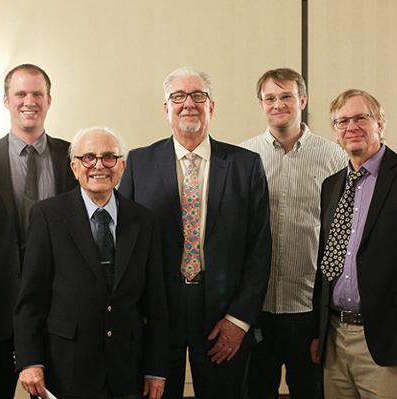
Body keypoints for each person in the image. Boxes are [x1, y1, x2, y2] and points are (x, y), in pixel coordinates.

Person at [119, 67, 271, 398]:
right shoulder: (138, 163)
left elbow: (260, 249)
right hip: (159, 309)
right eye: (178, 96)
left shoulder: (246, 166)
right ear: (166, 109)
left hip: (222, 308)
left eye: (198, 96)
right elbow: (126, 249)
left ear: (211, 107)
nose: (188, 103)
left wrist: (239, 319)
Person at [14, 127, 169, 399]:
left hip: (126, 369)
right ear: (74, 167)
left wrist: (156, 369)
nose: (99, 165)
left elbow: (156, 302)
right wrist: (30, 361)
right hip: (65, 367)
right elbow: (31, 298)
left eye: (109, 157)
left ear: (122, 166)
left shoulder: (144, 221)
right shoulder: (48, 216)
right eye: (88, 158)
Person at [0, 63, 77, 398]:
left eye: (37, 94)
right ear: (6, 100)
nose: (30, 101)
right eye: (21, 93)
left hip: (59, 308)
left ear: (49, 100)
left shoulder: (73, 156)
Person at [310, 89, 397, 398]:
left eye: (360, 118)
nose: (351, 126)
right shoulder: (331, 185)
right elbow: (326, 262)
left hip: (390, 338)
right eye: (342, 121)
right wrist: (318, 332)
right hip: (336, 339)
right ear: (335, 133)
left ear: (380, 123)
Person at [240, 68, 346, 398]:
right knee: (256, 391)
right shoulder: (244, 157)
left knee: (311, 390)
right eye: (270, 98)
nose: (278, 104)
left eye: (286, 96)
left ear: (302, 99)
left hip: (309, 307)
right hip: (259, 307)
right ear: (261, 104)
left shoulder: (334, 156)